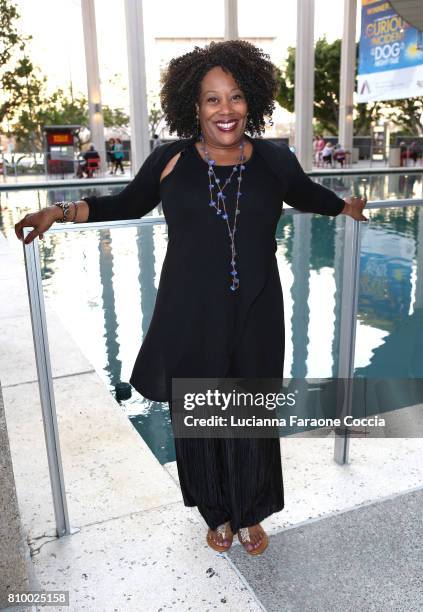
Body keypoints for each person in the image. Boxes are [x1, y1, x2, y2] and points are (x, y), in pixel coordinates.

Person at [14, 40, 368, 556]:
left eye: (236, 97)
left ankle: (250, 513)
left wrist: (347, 206)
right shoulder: (170, 160)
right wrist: (59, 212)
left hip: (257, 309)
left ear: (253, 102)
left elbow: (309, 194)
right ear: (193, 107)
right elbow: (126, 204)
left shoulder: (274, 159)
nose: (226, 110)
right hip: (190, 309)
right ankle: (216, 512)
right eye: (211, 100)